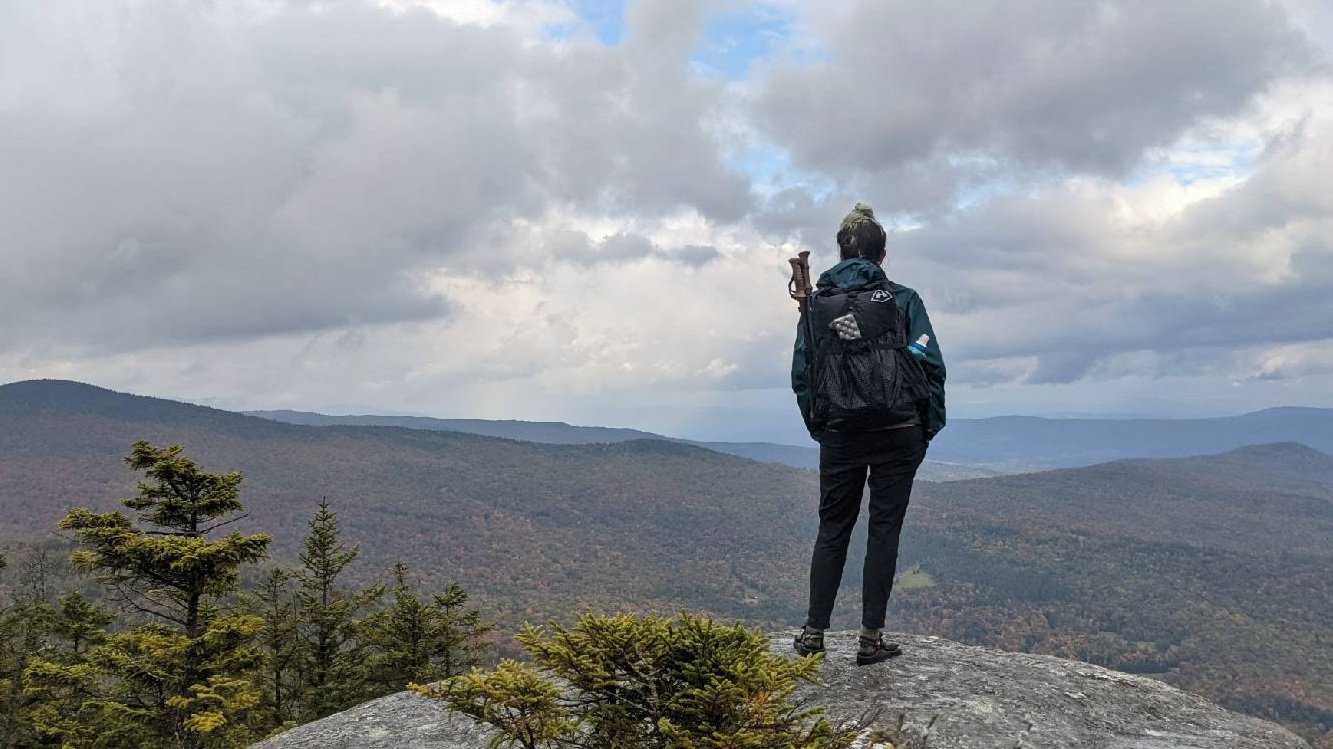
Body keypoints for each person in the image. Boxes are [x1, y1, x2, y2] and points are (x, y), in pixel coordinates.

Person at [790, 203, 946, 665]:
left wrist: (822, 427)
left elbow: (803, 372)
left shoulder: (816, 304)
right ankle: (869, 638)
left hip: (841, 432)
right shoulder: (902, 299)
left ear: (840, 253)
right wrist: (926, 428)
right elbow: (930, 363)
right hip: (899, 428)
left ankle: (814, 634)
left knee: (832, 528)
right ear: (883, 253)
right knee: (884, 529)